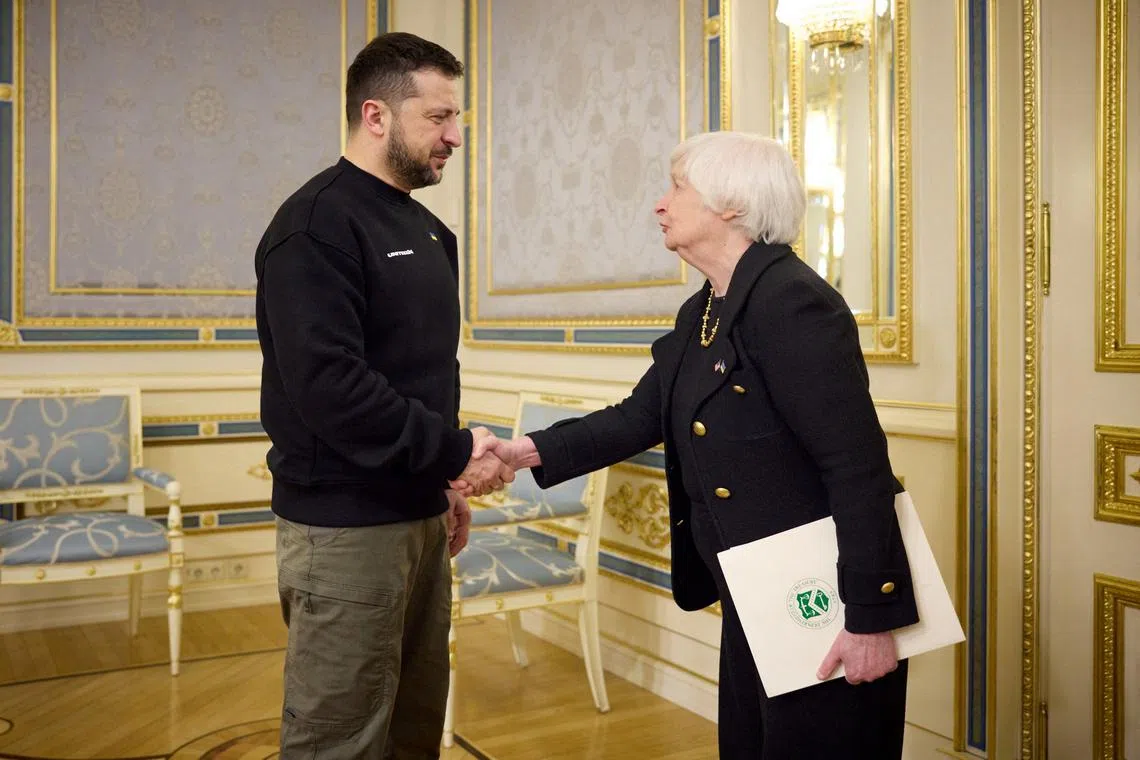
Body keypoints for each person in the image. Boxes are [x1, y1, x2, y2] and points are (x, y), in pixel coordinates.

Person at [454, 131, 919, 759]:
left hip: (823, 602)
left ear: (730, 205)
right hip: (754, 595)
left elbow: (858, 469)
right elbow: (636, 417)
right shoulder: (705, 309)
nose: (661, 204)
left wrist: (870, 619)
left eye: (678, 187)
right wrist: (519, 452)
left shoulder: (795, 303)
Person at [254, 33, 513, 759]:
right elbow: (331, 388)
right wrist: (459, 452)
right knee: (338, 742)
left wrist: (444, 480)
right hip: (344, 532)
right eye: (438, 117)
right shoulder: (314, 226)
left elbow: (425, 372)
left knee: (412, 731)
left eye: (456, 117)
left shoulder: (432, 232)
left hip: (422, 517)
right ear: (376, 115)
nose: (454, 136)